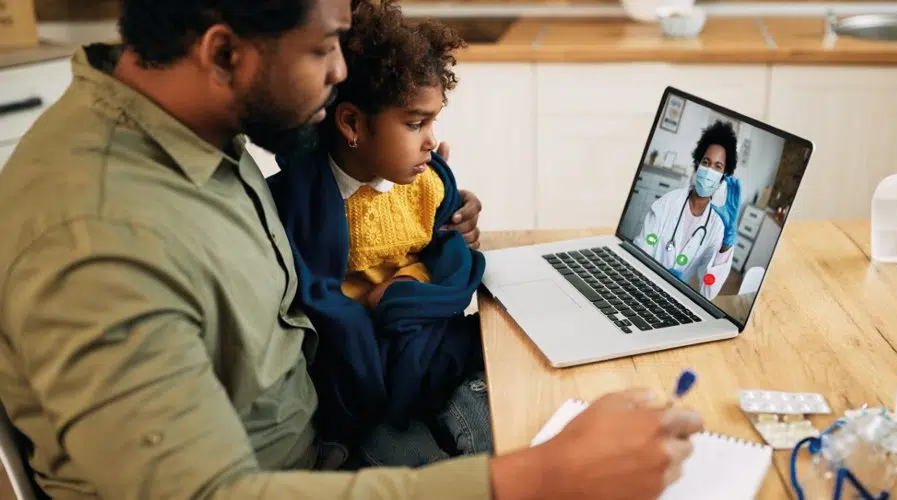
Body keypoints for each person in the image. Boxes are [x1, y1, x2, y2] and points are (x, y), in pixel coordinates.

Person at [0, 0, 704, 498]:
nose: (342, 69)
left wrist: (422, 169)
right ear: (221, 52)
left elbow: (351, 146)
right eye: (322, 48)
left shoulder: (193, 120)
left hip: (333, 430)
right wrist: (538, 480)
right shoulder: (98, 241)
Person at [267, 0, 490, 467]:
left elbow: (448, 253)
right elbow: (313, 303)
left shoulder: (425, 182)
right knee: (414, 464)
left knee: (492, 429)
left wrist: (415, 284)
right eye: (415, 123)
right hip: (358, 373)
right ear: (351, 124)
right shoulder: (303, 201)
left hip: (427, 348)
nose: (431, 139)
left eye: (433, 121)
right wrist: (369, 305)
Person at [634, 120, 742, 300]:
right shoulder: (667, 203)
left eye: (717, 166)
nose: (709, 171)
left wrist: (727, 241)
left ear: (724, 175)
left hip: (676, 299)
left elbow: (708, 291)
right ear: (698, 163)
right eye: (706, 162)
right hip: (643, 286)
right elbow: (639, 253)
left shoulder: (717, 225)